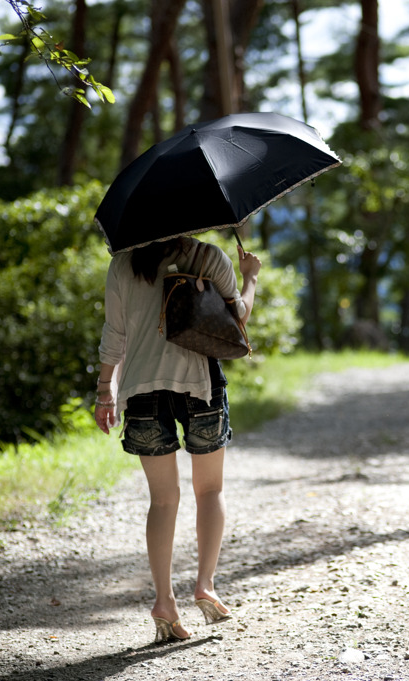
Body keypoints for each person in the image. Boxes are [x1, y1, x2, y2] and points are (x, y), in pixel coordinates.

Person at [93, 235, 262, 643]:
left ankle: (164, 603)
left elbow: (115, 334)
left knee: (163, 500)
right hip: (200, 385)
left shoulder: (123, 264)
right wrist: (251, 278)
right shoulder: (208, 256)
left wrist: (104, 391)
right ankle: (205, 585)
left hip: (141, 392)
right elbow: (238, 318)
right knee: (210, 489)